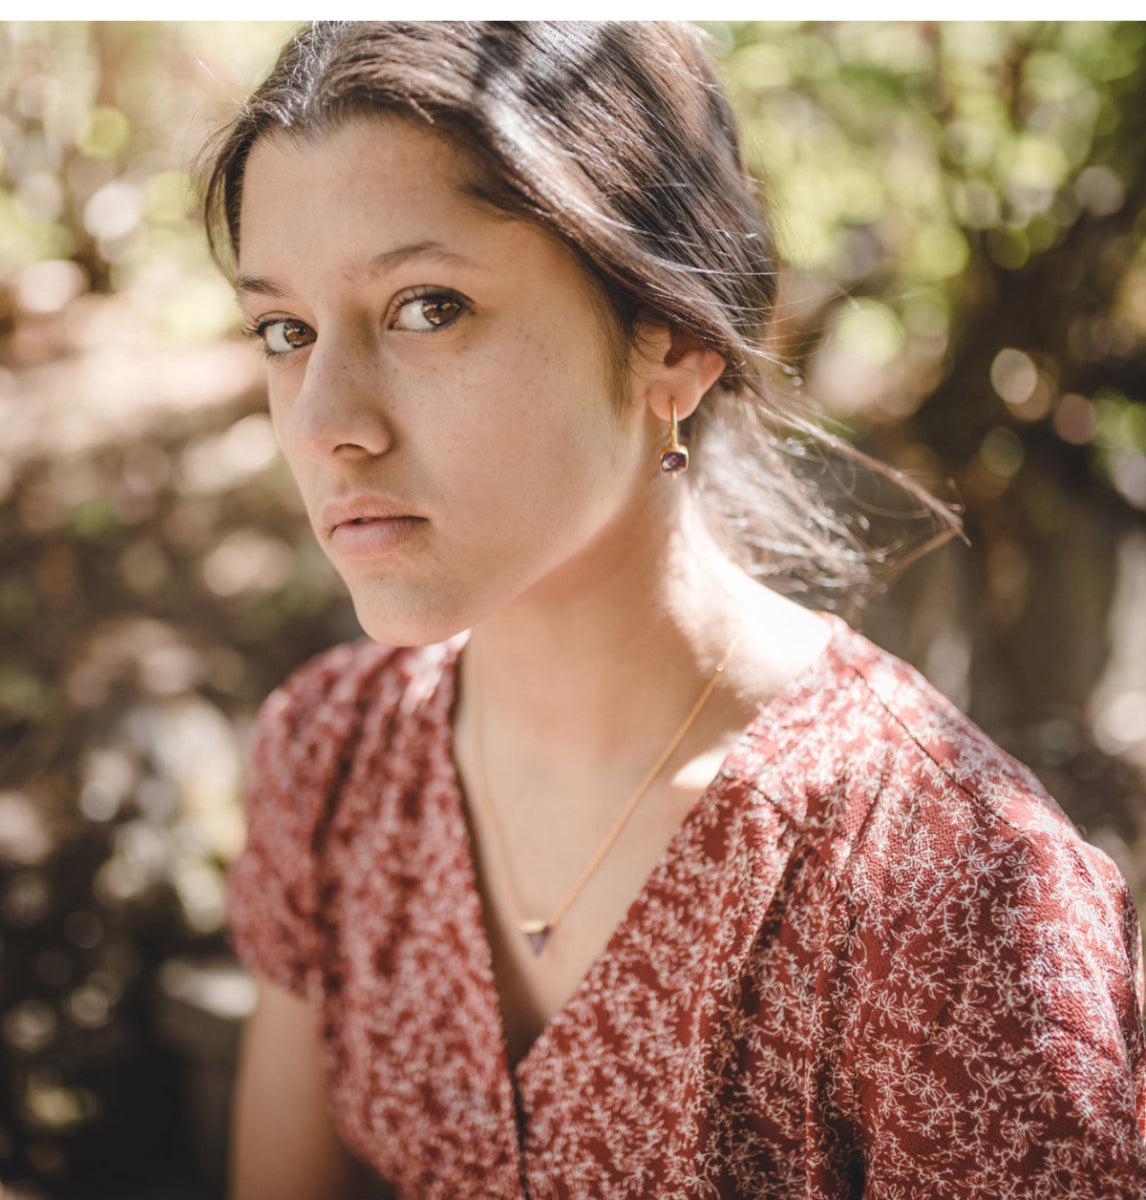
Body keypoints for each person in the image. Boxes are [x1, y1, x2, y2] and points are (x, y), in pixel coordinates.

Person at [203, 21, 1146, 1200]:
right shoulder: (335, 757)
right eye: (284, 331)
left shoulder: (946, 893)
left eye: (426, 306)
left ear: (678, 341)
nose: (324, 420)